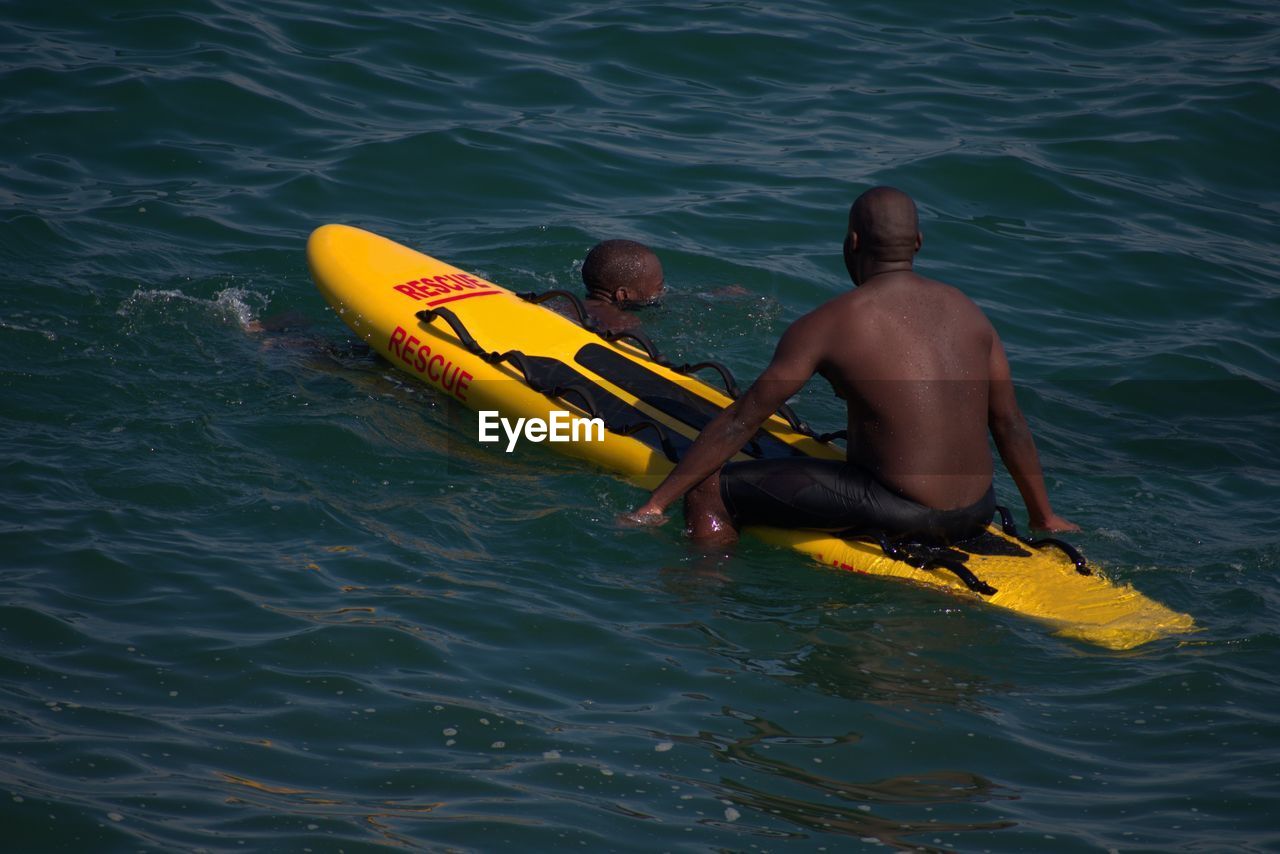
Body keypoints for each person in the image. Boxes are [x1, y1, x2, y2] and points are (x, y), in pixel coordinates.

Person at [627, 186, 1078, 545]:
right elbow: (1009, 423)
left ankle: (703, 607)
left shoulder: (830, 322)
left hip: (902, 510)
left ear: (853, 242)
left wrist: (657, 503)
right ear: (918, 243)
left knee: (708, 490)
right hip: (978, 510)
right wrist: (1044, 515)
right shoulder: (970, 312)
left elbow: (741, 421)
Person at [580, 239, 665, 334]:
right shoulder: (623, 324)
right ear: (623, 295)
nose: (663, 292)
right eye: (659, 288)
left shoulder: (563, 305)